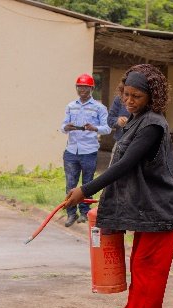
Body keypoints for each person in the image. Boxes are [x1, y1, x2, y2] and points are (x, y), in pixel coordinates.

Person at [64, 64, 173, 308]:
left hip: (164, 210)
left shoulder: (152, 125)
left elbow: (125, 165)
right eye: (126, 94)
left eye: (137, 96)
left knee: (148, 277)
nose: (129, 101)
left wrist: (85, 189)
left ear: (152, 97)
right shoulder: (136, 119)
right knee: (140, 268)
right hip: (149, 208)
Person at [60, 73, 111, 227]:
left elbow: (107, 128)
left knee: (87, 183)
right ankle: (71, 213)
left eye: (85, 87)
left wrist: (95, 128)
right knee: (70, 184)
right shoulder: (71, 106)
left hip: (89, 152)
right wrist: (67, 127)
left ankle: (84, 212)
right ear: (76, 88)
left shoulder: (99, 108)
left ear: (92, 88)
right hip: (71, 151)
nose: (82, 90)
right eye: (79, 87)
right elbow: (62, 127)